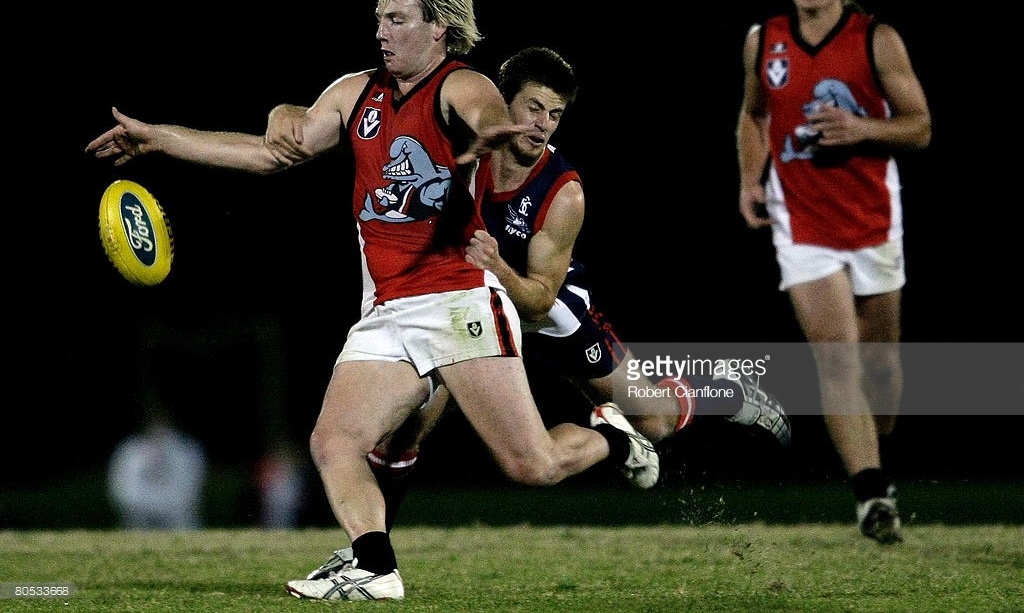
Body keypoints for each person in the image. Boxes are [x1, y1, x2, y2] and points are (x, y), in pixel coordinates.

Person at [86, 0, 658, 602]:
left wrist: (490, 138)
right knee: (334, 440)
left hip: (458, 300)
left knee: (531, 464)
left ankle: (612, 437)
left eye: (398, 18)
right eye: (380, 18)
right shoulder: (356, 93)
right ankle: (374, 565)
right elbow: (270, 153)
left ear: (438, 27)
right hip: (389, 309)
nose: (382, 30)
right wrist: (159, 137)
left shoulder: (462, 85)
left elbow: (490, 120)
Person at [270, 47, 792, 575]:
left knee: (654, 421)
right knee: (406, 429)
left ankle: (712, 392)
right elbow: (327, 127)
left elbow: (543, 294)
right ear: (499, 102)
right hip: (465, 310)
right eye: (532, 109)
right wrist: (281, 115)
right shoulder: (459, 141)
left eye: (554, 115)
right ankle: (370, 557)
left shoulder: (563, 190)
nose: (541, 125)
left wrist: (498, 266)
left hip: (546, 312)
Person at [734, 0, 931, 545]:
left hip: (872, 217)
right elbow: (753, 113)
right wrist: (750, 177)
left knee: (882, 373)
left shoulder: (878, 39)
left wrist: (861, 128)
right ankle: (871, 496)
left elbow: (920, 126)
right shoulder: (764, 39)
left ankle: (880, 460)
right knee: (835, 354)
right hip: (802, 221)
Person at [107, 389, 207, 530]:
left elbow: (190, 487)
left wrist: (169, 506)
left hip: (176, 515)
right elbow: (121, 487)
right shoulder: (129, 449)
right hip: (139, 513)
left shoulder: (187, 448)